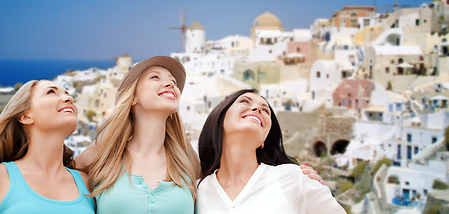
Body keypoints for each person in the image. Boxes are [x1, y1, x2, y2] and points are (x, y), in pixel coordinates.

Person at [75, 56, 200, 214]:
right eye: (155, 77)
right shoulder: (103, 153)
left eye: (173, 82)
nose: (171, 84)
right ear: (133, 97)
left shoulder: (188, 161)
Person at [196, 89, 346, 213]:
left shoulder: (294, 178)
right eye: (244, 101)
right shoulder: (196, 191)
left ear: (264, 140)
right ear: (219, 118)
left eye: (265, 110)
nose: (257, 108)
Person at [0, 80, 95, 213]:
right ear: (26, 116)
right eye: (51, 92)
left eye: (68, 93)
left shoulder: (86, 184)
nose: (69, 98)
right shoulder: (3, 177)